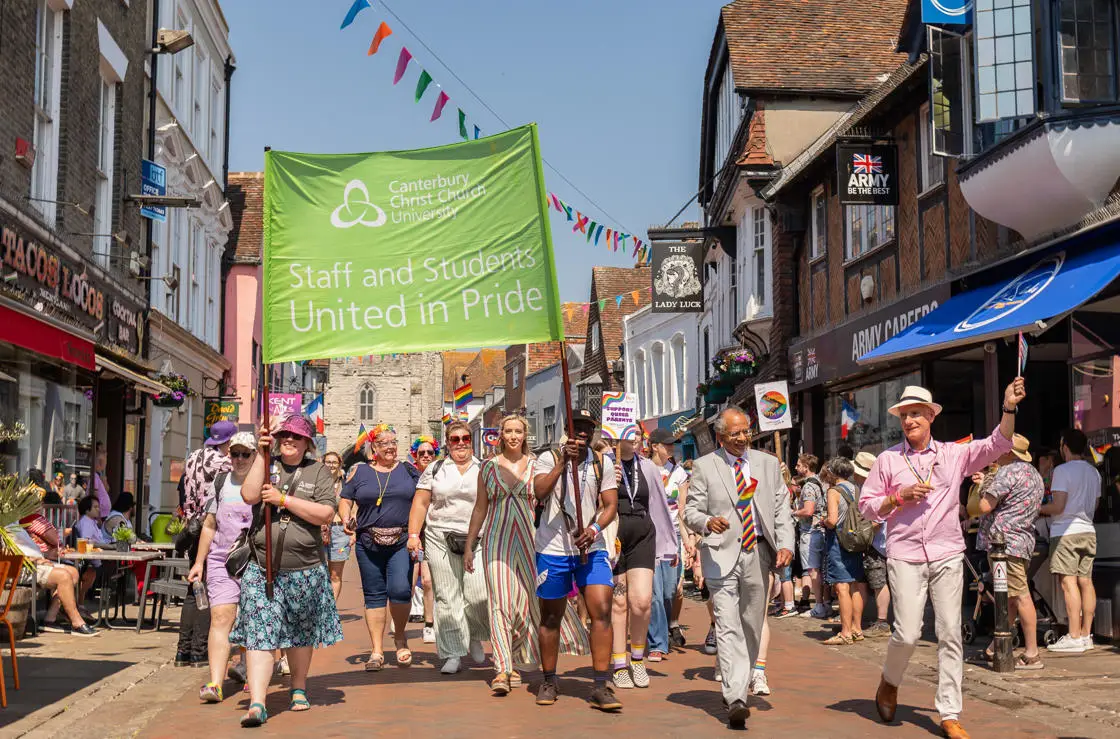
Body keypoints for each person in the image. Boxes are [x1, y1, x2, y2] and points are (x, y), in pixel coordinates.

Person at [859, 380, 1025, 739]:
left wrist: (1008, 407)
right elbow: (866, 507)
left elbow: (999, 443)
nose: (909, 420)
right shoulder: (888, 459)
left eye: (916, 413)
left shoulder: (953, 454)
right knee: (906, 633)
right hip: (903, 554)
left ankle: (949, 712)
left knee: (951, 632)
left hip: (947, 552)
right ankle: (889, 681)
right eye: (904, 415)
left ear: (930, 417)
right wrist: (897, 497)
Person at [683, 407, 795, 728]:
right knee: (727, 624)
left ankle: (739, 683)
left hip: (759, 552)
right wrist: (706, 521)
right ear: (720, 436)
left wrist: (786, 544)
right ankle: (735, 697)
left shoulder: (768, 464)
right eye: (735, 434)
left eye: (746, 431)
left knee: (751, 625)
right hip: (721, 554)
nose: (743, 438)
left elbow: (781, 509)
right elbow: (691, 510)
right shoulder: (706, 466)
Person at [231, 414, 342, 728]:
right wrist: (263, 453)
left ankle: (298, 686)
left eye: (295, 436)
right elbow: (249, 495)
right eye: (284, 436)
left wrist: (284, 500)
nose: (288, 440)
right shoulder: (266, 462)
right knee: (260, 634)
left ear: (307, 441)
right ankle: (257, 703)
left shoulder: (317, 471)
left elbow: (325, 513)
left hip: (304, 568)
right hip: (262, 567)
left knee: (299, 634)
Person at [465, 418, 588, 696]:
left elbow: (552, 495)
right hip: (497, 539)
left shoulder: (536, 464)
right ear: (500, 434)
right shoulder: (487, 467)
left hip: (529, 538)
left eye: (518, 431)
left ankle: (519, 657)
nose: (512, 436)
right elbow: (479, 508)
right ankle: (502, 667)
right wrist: (471, 544)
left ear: (525, 435)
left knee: (526, 602)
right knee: (499, 601)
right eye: (508, 431)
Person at [531, 408, 617, 710]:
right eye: (577, 428)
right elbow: (540, 491)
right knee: (551, 616)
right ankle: (549, 679)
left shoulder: (601, 463)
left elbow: (609, 505)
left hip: (591, 550)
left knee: (602, 611)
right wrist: (564, 462)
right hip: (553, 549)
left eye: (587, 429)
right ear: (567, 430)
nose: (582, 433)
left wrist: (594, 529)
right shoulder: (547, 458)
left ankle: (599, 684)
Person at [408, 421, 489, 674]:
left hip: (477, 537)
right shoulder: (436, 468)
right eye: (455, 439)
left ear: (472, 441)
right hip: (439, 535)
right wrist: (413, 534)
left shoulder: (485, 467)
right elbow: (421, 503)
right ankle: (452, 652)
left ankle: (474, 635)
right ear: (447, 443)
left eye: (466, 438)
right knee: (446, 595)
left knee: (478, 594)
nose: (461, 443)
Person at [339, 424, 419, 672]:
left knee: (400, 590)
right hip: (368, 541)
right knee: (374, 595)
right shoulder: (360, 472)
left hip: (401, 541)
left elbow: (424, 497)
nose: (390, 447)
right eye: (384, 443)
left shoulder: (408, 470)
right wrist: (345, 518)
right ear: (374, 447)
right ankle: (376, 650)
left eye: (393, 442)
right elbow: (345, 499)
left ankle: (400, 636)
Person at [188, 432, 257, 703]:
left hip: (255, 560)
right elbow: (209, 525)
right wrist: (199, 562)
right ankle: (215, 683)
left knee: (253, 619)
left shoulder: (265, 484)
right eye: (235, 453)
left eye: (245, 454)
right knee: (220, 618)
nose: (239, 459)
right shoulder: (220, 482)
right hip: (220, 560)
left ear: (254, 456)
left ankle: (253, 676)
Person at [608, 433, 677, 689]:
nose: (636, 438)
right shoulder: (605, 463)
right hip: (614, 535)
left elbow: (660, 505)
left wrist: (671, 543)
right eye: (630, 433)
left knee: (642, 601)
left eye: (638, 433)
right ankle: (619, 663)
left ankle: (638, 657)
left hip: (642, 535)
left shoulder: (647, 466)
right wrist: (608, 481)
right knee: (618, 603)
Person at [975, 434, 1045, 669]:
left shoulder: (1008, 472)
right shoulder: (1033, 473)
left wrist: (982, 486)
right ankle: (996, 647)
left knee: (1020, 595)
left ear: (1008, 452)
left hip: (1004, 544)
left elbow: (985, 506)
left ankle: (1032, 653)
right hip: (1022, 540)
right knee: (1010, 597)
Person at [1041, 428, 1101, 654]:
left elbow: (1058, 506)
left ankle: (1073, 635)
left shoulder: (1062, 471)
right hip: (1088, 530)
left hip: (1066, 531)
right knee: (1086, 581)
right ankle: (1086, 634)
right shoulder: (1093, 472)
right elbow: (1094, 505)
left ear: (1064, 446)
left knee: (1068, 583)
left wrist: (1037, 510)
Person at [7, 524, 97, 636]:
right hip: (22, 567)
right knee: (63, 576)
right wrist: (32, 560)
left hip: (37, 562)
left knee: (73, 572)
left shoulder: (15, 523)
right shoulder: (4, 525)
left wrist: (46, 555)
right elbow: (5, 553)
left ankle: (49, 619)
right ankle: (77, 621)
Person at [647, 428, 690, 660]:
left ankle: (662, 631)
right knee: (654, 592)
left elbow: (683, 510)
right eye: (667, 444)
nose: (671, 448)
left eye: (673, 445)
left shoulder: (679, 473)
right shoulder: (644, 468)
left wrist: (688, 539)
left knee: (671, 591)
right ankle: (657, 642)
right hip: (651, 537)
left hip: (672, 537)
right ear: (655, 446)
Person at [820, 457, 869, 645]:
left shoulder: (833, 491)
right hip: (854, 540)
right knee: (855, 585)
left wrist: (823, 520)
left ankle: (845, 632)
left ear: (832, 472)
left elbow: (832, 520)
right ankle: (857, 629)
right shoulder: (855, 488)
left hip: (838, 541)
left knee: (842, 587)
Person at [853, 451, 891, 638]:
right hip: (886, 544)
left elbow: (877, 522)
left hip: (878, 545)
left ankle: (883, 621)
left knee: (879, 583)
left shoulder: (875, 491)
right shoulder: (879, 489)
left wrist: (861, 533)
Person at [408, 436, 438, 643]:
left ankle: (429, 624)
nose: (426, 456)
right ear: (415, 456)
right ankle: (401, 613)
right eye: (422, 453)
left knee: (427, 581)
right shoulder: (407, 474)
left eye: (430, 452)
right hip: (411, 532)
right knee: (408, 581)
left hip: (431, 533)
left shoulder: (441, 472)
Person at [793, 454, 829, 618]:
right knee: (821, 570)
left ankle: (819, 606)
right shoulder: (820, 481)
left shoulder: (808, 486)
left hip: (810, 531)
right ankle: (826, 603)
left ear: (806, 467)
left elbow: (808, 510)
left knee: (813, 570)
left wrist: (792, 512)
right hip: (820, 529)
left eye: (799, 465)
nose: (796, 468)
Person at [321, 451, 354, 601]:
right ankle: (318, 608)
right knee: (319, 572)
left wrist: (353, 532)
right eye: (328, 462)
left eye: (334, 462)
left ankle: (331, 609)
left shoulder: (345, 482)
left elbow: (353, 508)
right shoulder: (317, 481)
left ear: (340, 464)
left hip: (339, 530)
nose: (331, 465)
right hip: (319, 530)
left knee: (335, 574)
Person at [73, 495, 111, 605]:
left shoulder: (92, 521)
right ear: (87, 509)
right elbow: (86, 542)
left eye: (98, 507)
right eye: (95, 507)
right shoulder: (86, 522)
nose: (98, 509)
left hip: (100, 558)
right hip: (93, 561)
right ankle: (81, 602)